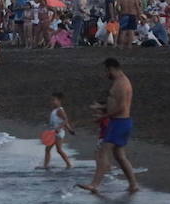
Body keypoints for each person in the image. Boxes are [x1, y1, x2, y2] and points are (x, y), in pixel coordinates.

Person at [78, 58, 139, 194]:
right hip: (120, 122)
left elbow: (121, 107)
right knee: (119, 155)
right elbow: (115, 103)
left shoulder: (122, 84)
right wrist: (102, 106)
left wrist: (103, 116)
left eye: (106, 71)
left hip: (119, 122)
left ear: (111, 68)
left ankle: (94, 184)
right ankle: (133, 184)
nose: (106, 74)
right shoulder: (119, 82)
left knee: (103, 152)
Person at [41, 93, 74, 169]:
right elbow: (64, 121)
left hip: (58, 133)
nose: (51, 102)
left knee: (58, 149)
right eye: (51, 100)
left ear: (59, 101)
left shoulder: (60, 110)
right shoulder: (54, 110)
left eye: (53, 100)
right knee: (48, 149)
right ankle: (45, 165)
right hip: (53, 132)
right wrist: (70, 130)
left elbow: (66, 120)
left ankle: (69, 164)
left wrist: (59, 128)